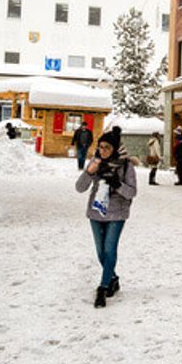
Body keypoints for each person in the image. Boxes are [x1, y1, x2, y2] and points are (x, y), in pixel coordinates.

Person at [75, 126, 137, 308]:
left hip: (116, 213)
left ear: (115, 149)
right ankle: (113, 278)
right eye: (101, 147)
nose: (103, 151)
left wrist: (117, 184)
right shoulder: (95, 162)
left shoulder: (126, 166)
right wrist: (89, 172)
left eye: (107, 148)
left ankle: (102, 287)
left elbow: (132, 192)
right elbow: (79, 187)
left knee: (110, 250)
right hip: (96, 212)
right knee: (101, 252)